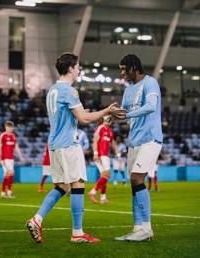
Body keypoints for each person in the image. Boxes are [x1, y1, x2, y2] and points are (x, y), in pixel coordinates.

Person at [25, 52, 125, 244]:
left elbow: (74, 116)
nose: (79, 70)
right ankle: (77, 233)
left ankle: (37, 219)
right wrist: (107, 111)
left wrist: (93, 117)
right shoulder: (69, 91)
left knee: (62, 186)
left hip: (54, 144)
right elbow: (84, 118)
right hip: (68, 144)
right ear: (70, 68)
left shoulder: (53, 90)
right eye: (78, 66)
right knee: (78, 184)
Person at [114, 54, 162, 242]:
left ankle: (147, 229)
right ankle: (137, 228)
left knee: (136, 178)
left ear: (134, 67)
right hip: (134, 141)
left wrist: (125, 117)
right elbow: (124, 113)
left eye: (125, 69)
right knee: (134, 185)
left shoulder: (151, 83)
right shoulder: (128, 90)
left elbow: (151, 106)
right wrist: (110, 119)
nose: (122, 72)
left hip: (150, 139)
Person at [88, 115, 121, 204]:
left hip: (106, 155)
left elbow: (113, 144)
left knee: (104, 176)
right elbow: (95, 141)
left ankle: (103, 198)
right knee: (107, 175)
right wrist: (95, 154)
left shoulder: (110, 131)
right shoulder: (100, 128)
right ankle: (92, 192)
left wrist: (118, 155)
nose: (109, 121)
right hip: (100, 155)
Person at [0, 121, 25, 199]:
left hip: (11, 158)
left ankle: (2, 193)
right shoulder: (3, 136)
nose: (9, 128)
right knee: (11, 173)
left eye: (11, 127)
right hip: (5, 158)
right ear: (5, 127)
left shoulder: (13, 136)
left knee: (6, 175)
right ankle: (9, 192)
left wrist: (21, 156)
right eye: (8, 127)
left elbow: (16, 147)